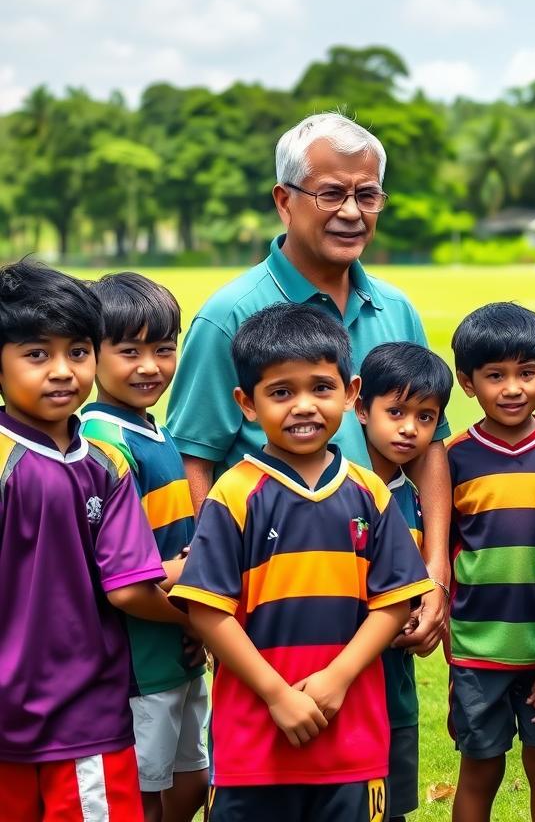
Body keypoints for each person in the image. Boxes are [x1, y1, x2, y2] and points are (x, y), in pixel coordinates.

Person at [167, 111, 450, 655]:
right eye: (330, 194)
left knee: (389, 736)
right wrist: (213, 587)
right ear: (283, 200)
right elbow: (195, 458)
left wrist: (434, 570)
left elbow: (430, 445)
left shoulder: (396, 309)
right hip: (275, 607)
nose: (351, 212)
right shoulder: (229, 315)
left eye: (367, 196)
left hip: (385, 600)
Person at [171, 303, 434, 821]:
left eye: (321, 387)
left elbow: (393, 602)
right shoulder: (235, 492)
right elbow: (207, 610)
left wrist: (338, 678)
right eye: (281, 392)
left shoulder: (368, 492)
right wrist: (275, 695)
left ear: (351, 393)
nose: (304, 406)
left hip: (351, 741)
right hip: (252, 743)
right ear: (246, 404)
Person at [0, 261, 189, 822]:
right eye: (37, 354)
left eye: (77, 352)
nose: (62, 371)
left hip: (87, 718)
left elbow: (131, 580)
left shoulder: (106, 463)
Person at [447, 302, 535, 822]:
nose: (512, 388)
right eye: (494, 375)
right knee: (480, 769)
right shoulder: (454, 457)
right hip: (478, 648)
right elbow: (447, 549)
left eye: (527, 373)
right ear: (467, 382)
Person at [80, 273, 208, 822]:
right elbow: (128, 588)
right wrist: (192, 620)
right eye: (128, 351)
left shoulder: (151, 428)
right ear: (93, 354)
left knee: (192, 781)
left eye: (163, 349)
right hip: (139, 662)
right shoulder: (105, 443)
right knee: (142, 798)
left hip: (174, 651)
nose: (149, 366)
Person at [354, 342, 455, 822]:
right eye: (395, 411)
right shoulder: (344, 490)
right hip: (344, 677)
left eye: (426, 417)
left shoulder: (413, 497)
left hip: (394, 684)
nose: (409, 428)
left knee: (389, 805)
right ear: (360, 408)